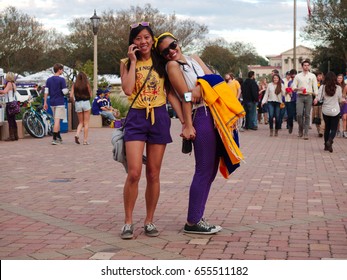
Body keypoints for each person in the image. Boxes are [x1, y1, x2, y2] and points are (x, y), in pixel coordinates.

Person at [155, 32, 226, 235]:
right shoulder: (172, 66)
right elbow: (185, 95)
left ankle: (198, 216)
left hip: (212, 112)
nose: (171, 51)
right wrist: (186, 124)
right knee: (203, 168)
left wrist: (200, 87)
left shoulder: (194, 58)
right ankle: (193, 221)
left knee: (211, 168)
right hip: (199, 114)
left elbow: (214, 80)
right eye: (165, 51)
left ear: (178, 43)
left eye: (173, 45)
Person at [119, 23, 183, 240]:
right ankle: (128, 221)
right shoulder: (126, 63)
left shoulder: (161, 62)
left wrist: (185, 121)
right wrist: (134, 62)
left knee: (154, 173)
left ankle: (149, 220)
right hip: (136, 118)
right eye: (138, 38)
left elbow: (172, 94)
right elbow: (128, 89)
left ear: (152, 39)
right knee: (134, 172)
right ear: (132, 42)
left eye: (146, 37)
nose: (143, 41)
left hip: (158, 117)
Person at [313, 71, 343, 152]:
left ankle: (326, 146)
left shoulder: (322, 87)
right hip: (335, 110)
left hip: (325, 110)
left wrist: (315, 100)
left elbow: (318, 97)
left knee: (327, 128)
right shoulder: (338, 88)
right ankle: (330, 140)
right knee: (333, 129)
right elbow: (340, 99)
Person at [291, 59, 318, 139]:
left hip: (309, 96)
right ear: (302, 66)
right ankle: (300, 129)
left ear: (309, 66)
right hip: (300, 96)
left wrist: (316, 97)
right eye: (304, 65)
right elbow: (293, 87)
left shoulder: (312, 76)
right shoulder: (297, 76)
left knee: (307, 115)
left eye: (307, 65)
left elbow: (315, 87)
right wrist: (299, 89)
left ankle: (306, 133)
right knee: (299, 114)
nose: (306, 67)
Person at [43, 63, 68, 145]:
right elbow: (64, 92)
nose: (62, 71)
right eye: (62, 70)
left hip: (52, 102)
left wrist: (45, 102)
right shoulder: (62, 80)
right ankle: (54, 138)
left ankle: (58, 136)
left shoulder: (49, 80)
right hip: (60, 102)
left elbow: (46, 92)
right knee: (58, 120)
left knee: (56, 119)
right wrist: (67, 90)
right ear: (59, 70)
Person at [69, 71, 92, 145]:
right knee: (86, 123)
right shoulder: (87, 84)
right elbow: (91, 95)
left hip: (78, 103)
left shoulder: (74, 85)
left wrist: (74, 101)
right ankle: (85, 141)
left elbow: (71, 96)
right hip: (86, 102)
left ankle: (77, 134)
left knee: (81, 122)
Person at [0, 72, 18, 141]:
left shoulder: (9, 83)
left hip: (9, 104)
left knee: (10, 120)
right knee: (13, 120)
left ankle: (11, 136)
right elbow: (8, 93)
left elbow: (4, 91)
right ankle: (16, 135)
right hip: (14, 103)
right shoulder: (13, 84)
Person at [312, 71, 325, 137]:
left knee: (322, 117)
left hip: (323, 103)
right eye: (319, 76)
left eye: (321, 76)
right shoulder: (312, 84)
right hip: (315, 103)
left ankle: (321, 131)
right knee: (316, 117)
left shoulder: (324, 84)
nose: (320, 77)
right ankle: (318, 130)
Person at [285, 69, 298, 134]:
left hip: (299, 100)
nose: (293, 77)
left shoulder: (299, 82)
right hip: (292, 100)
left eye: (294, 76)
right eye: (292, 76)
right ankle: (290, 126)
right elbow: (289, 91)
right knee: (290, 115)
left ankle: (301, 127)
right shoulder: (290, 83)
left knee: (299, 115)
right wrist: (289, 93)